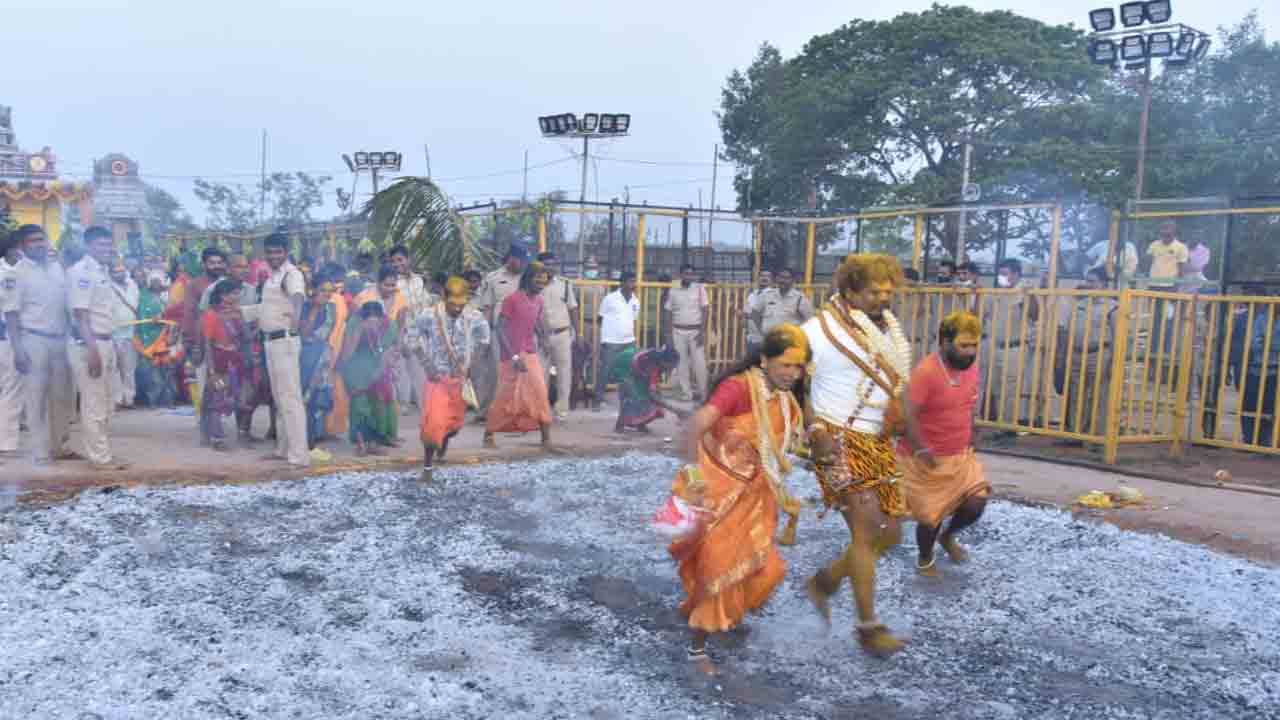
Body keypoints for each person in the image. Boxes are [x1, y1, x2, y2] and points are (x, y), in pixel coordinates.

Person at [668, 324, 809, 675]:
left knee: (768, 569)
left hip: (757, 496)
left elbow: (786, 444)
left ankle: (725, 615)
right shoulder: (738, 388)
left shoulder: (787, 398)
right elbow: (695, 426)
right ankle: (697, 650)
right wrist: (694, 478)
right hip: (717, 493)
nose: (793, 373)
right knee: (718, 570)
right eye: (785, 365)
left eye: (798, 366)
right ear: (764, 360)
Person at [801, 253, 912, 657]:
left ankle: (826, 581)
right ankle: (868, 628)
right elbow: (793, 385)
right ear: (849, 291)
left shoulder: (884, 328)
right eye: (873, 292)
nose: (883, 299)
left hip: (878, 442)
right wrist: (814, 432)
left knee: (891, 534)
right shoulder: (816, 331)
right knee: (867, 531)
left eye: (888, 292)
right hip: (837, 440)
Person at [899, 311, 990, 576]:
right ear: (945, 342)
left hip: (959, 455)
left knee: (976, 503)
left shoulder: (971, 368)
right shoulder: (926, 372)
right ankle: (925, 559)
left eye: (974, 345)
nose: (970, 352)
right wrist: (921, 449)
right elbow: (907, 415)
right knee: (930, 518)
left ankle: (948, 537)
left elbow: (968, 403)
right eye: (964, 345)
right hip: (923, 460)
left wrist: (974, 430)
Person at [3, 225, 75, 465]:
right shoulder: (16, 274)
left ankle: (59, 447)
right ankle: (40, 452)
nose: (39, 244)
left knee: (60, 397)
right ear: (23, 246)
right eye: (33, 241)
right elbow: (11, 314)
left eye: (42, 239)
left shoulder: (56, 268)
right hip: (33, 340)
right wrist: (18, 350)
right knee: (36, 398)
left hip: (60, 340)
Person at [417, 277, 490, 481]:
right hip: (437, 379)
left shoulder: (474, 316)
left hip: (460, 380)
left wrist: (472, 365)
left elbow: (485, 341)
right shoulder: (429, 315)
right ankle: (427, 468)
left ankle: (445, 439)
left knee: (454, 426)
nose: (457, 309)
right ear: (444, 297)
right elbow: (411, 338)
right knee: (433, 425)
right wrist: (426, 365)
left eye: (461, 304)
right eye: (453, 304)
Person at [67, 226, 128, 469]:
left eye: (108, 244)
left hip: (106, 341)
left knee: (107, 402)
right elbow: (80, 314)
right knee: (94, 403)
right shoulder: (81, 272)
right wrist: (92, 350)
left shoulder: (101, 270)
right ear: (88, 245)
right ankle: (100, 458)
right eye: (101, 244)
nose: (107, 249)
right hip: (90, 344)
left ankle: (103, 453)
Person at [484, 261, 557, 450]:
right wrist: (514, 358)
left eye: (544, 281)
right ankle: (489, 434)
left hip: (530, 353)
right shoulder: (512, 300)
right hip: (510, 356)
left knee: (540, 392)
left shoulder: (539, 301)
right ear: (528, 279)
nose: (541, 285)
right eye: (538, 280)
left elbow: (537, 321)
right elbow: (500, 329)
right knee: (505, 396)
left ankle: (546, 439)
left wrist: (544, 339)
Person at [258, 233, 310, 467]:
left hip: (285, 341)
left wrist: (296, 320)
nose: (273, 256)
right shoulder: (272, 276)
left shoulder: (292, 274)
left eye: (278, 252)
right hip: (270, 342)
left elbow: (297, 297)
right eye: (269, 252)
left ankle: (299, 456)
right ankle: (283, 449)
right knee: (280, 399)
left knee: (290, 399)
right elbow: (269, 308)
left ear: (286, 252)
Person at [1058, 267, 1118, 443]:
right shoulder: (1080, 303)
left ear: (1103, 284)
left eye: (1092, 281)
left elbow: (1118, 337)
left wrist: (1113, 361)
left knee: (1099, 396)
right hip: (1077, 354)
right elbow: (1068, 330)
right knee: (1076, 395)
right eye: (1087, 280)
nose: (1088, 284)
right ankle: (1075, 434)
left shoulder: (1113, 307)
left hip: (1099, 355)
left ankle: (1097, 437)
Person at [984, 258, 1040, 442]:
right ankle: (1002, 426)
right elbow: (981, 313)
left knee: (1010, 389)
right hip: (997, 346)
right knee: (997, 388)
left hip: (1015, 347)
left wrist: (1028, 295)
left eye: (1005, 274)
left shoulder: (1023, 291)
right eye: (1000, 274)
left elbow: (1035, 315)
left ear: (1016, 274)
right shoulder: (997, 293)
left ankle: (1008, 429)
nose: (1001, 277)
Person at [340, 300, 399, 455]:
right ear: (363, 320)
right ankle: (361, 444)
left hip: (374, 371)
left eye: (376, 322)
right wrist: (359, 333)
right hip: (356, 372)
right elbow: (346, 356)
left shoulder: (383, 329)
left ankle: (373, 444)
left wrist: (389, 366)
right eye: (370, 322)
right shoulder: (355, 327)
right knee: (360, 409)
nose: (374, 325)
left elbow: (389, 350)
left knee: (374, 408)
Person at [476, 245, 528, 419]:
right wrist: (485, 335)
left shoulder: (527, 277)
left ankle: (516, 411)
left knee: (522, 372)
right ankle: (486, 412)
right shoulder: (493, 278)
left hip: (522, 333)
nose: (523, 264)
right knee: (496, 373)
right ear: (511, 258)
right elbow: (487, 307)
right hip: (499, 332)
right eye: (521, 260)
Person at [199, 279, 252, 451]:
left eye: (238, 293)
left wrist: (240, 318)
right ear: (223, 296)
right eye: (235, 293)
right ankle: (217, 438)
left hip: (235, 361)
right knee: (217, 398)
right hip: (219, 361)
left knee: (237, 398)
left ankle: (226, 434)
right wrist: (212, 371)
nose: (238, 296)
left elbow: (247, 337)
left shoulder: (237, 313)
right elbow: (207, 343)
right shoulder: (211, 314)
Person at [536, 251, 578, 420]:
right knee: (540, 375)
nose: (551, 268)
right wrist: (541, 337)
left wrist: (578, 333)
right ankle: (541, 410)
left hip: (562, 334)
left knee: (564, 374)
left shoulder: (565, 285)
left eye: (553, 264)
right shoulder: (533, 285)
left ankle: (561, 411)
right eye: (547, 264)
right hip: (540, 336)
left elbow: (572, 308)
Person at [390, 245, 431, 413]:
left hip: (420, 333)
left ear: (408, 259)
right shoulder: (392, 283)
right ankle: (403, 406)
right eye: (393, 261)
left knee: (421, 371)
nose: (396, 264)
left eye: (400, 260)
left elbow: (426, 305)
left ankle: (425, 406)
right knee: (400, 372)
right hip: (401, 332)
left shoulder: (419, 281)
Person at [611, 345, 687, 433]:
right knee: (632, 396)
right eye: (672, 365)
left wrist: (674, 409)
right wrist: (676, 410)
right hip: (623, 366)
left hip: (633, 367)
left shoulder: (656, 362)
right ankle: (619, 426)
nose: (672, 368)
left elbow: (654, 391)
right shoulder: (652, 366)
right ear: (665, 362)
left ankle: (639, 423)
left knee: (647, 397)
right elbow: (652, 395)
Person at [593, 271, 640, 411]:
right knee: (605, 370)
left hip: (629, 340)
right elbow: (600, 319)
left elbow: (633, 319)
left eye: (634, 281)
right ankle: (597, 401)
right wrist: (608, 335)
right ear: (622, 283)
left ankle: (628, 400)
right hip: (611, 341)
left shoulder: (635, 300)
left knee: (629, 372)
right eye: (630, 281)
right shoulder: (610, 298)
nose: (633, 284)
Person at [299, 277, 336, 448]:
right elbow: (304, 334)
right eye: (323, 290)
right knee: (304, 397)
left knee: (318, 398)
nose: (327, 294)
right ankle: (303, 439)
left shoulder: (331, 308)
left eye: (330, 291)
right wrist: (315, 309)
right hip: (305, 357)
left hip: (322, 357)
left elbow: (327, 334)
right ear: (313, 290)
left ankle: (315, 436)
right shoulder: (304, 307)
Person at [665, 264, 710, 402]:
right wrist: (669, 335)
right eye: (686, 273)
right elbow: (669, 312)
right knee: (681, 364)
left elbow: (705, 310)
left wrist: (702, 332)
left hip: (695, 332)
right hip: (678, 331)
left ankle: (704, 394)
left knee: (700, 364)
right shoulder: (673, 291)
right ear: (680, 275)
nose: (688, 276)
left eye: (691, 274)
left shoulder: (700, 288)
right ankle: (686, 394)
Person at [134, 272, 178, 407]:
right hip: (150, 341)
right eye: (153, 281)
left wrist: (172, 333)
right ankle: (153, 402)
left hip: (167, 339)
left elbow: (174, 316)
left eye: (158, 281)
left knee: (168, 372)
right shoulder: (144, 298)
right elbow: (142, 319)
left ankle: (169, 401)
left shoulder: (167, 297)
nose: (156, 283)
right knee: (153, 374)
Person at [0, 230, 25, 456]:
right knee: (11, 388)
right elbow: (11, 311)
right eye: (19, 248)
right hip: (9, 337)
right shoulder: (10, 275)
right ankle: (6, 442)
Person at [109, 259, 140, 409]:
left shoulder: (132, 284)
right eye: (116, 271)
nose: (119, 273)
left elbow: (137, 305)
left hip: (131, 332)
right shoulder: (107, 286)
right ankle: (117, 399)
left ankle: (129, 398)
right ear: (111, 273)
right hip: (113, 333)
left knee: (129, 368)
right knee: (114, 368)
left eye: (121, 270)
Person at [750, 268, 814, 341]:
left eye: (786, 278)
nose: (782, 280)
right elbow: (755, 313)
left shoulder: (800, 298)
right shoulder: (766, 295)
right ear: (777, 279)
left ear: (793, 280)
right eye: (780, 277)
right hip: (769, 340)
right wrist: (762, 330)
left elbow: (810, 320)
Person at [742, 270, 773, 354]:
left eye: (768, 276)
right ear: (758, 278)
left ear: (771, 280)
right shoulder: (752, 294)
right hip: (751, 337)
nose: (764, 278)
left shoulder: (773, 295)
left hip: (766, 337)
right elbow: (746, 310)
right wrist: (744, 319)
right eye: (762, 276)